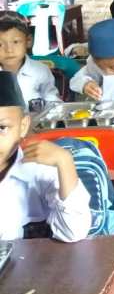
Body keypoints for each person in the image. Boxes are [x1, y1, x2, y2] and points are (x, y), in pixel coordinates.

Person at [0, 71, 91, 241]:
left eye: (2, 128)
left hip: (35, 258)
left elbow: (73, 232)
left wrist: (64, 162)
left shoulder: (39, 169)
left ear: (23, 126)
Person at [0, 12, 61, 110]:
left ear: (28, 41)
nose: (9, 50)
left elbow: (54, 103)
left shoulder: (40, 71)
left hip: (37, 119)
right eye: (0, 45)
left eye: (15, 42)